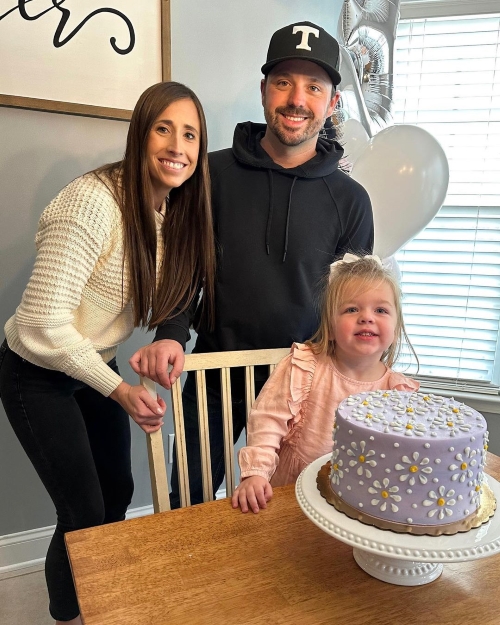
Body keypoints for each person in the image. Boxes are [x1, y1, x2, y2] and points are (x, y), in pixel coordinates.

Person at [131, 21, 374, 508]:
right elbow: (186, 263)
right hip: (217, 368)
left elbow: (354, 304)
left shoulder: (351, 200)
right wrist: (171, 333)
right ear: (264, 91)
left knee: (297, 499)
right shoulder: (211, 174)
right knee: (191, 499)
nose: (296, 99)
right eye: (283, 82)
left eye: (313, 87)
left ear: (332, 102)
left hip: (304, 378)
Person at [0, 82, 215, 625]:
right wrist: (118, 388)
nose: (177, 145)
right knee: (83, 510)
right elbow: (40, 322)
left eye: (189, 134)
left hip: (93, 361)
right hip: (35, 369)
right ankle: (69, 617)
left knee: (117, 490)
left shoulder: (170, 215)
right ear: (139, 135)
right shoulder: (92, 203)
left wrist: (153, 348)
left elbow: (176, 291)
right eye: (163, 128)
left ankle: (99, 601)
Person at [231, 254, 419, 513]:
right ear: (330, 324)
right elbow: (266, 422)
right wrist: (256, 474)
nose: (366, 317)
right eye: (352, 309)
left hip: (359, 505)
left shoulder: (398, 393)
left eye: (381, 310)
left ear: (396, 327)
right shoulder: (303, 366)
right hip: (290, 496)